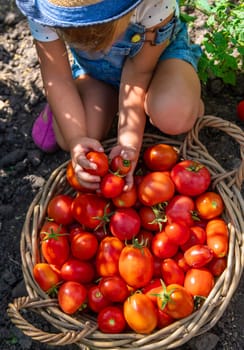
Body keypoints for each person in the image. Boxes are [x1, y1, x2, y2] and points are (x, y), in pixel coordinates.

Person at [16, 0, 204, 191]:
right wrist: (76, 139)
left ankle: (181, 90)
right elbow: (57, 77)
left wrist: (128, 141)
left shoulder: (152, 4)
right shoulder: (43, 8)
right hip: (96, 73)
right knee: (72, 138)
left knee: (173, 115)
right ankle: (74, 101)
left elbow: (139, 73)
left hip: (155, 63)